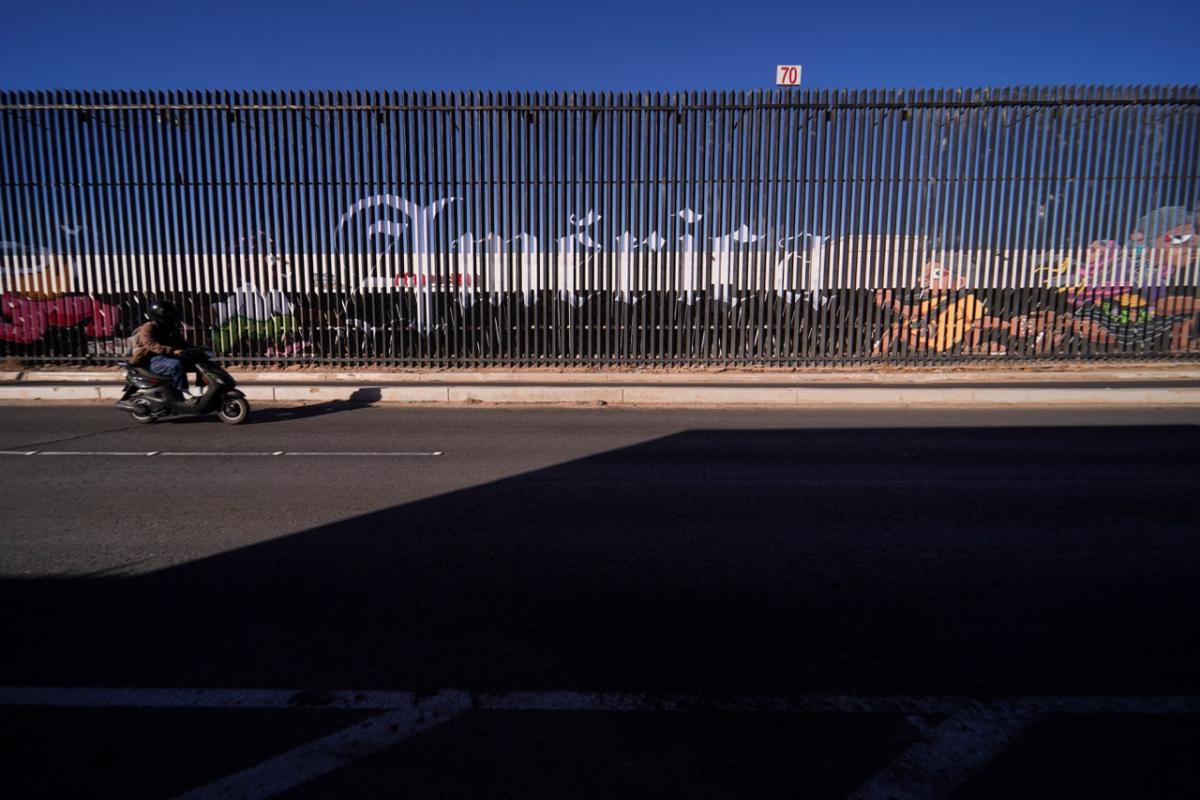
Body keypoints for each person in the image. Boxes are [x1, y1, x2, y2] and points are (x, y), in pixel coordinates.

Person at [130, 299, 194, 397]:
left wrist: (194, 349)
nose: (171, 316)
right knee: (176, 365)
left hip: (166, 356)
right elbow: (150, 345)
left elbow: (180, 342)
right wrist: (172, 350)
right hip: (150, 358)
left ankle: (200, 388)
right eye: (168, 313)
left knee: (197, 363)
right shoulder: (148, 327)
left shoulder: (171, 328)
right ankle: (183, 391)